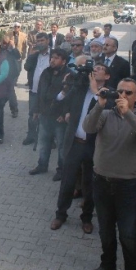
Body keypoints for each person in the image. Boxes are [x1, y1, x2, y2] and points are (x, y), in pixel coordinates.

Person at [84, 78, 136, 270]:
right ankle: (108, 265)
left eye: (128, 93)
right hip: (102, 181)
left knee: (128, 233)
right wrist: (100, 104)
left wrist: (127, 113)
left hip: (127, 185)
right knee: (105, 229)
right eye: (119, 91)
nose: (122, 96)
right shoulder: (105, 115)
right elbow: (88, 127)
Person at [51, 60, 113, 234]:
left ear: (107, 76)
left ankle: (86, 218)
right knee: (67, 181)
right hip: (75, 143)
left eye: (100, 68)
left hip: (94, 146)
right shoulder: (80, 88)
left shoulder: (108, 93)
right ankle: (60, 214)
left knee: (90, 184)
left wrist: (95, 91)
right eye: (95, 68)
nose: (96, 70)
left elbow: (107, 110)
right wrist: (67, 87)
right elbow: (60, 104)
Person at [28, 48, 71, 180]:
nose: (52, 60)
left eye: (56, 58)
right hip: (45, 114)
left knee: (61, 146)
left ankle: (62, 170)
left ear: (63, 61)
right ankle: (42, 165)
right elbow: (40, 92)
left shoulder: (69, 75)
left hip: (59, 117)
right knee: (43, 142)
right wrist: (36, 110)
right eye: (52, 57)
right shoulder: (46, 72)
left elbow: (69, 97)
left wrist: (64, 113)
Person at [23, 32, 50, 146]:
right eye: (38, 41)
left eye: (42, 41)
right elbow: (27, 67)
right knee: (32, 114)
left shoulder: (53, 54)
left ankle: (48, 138)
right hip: (34, 90)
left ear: (47, 41)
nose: (39, 43)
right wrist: (31, 54)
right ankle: (31, 136)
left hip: (48, 92)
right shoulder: (35, 55)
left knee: (47, 115)